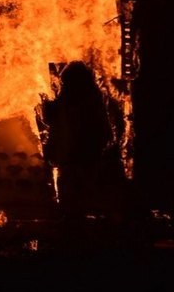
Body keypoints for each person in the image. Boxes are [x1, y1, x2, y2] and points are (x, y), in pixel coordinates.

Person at [40, 61, 125, 224]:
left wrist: (45, 99)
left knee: (72, 193)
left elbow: (50, 119)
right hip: (87, 155)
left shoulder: (68, 99)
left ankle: (73, 226)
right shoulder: (94, 98)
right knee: (82, 191)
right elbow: (105, 130)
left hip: (74, 156)